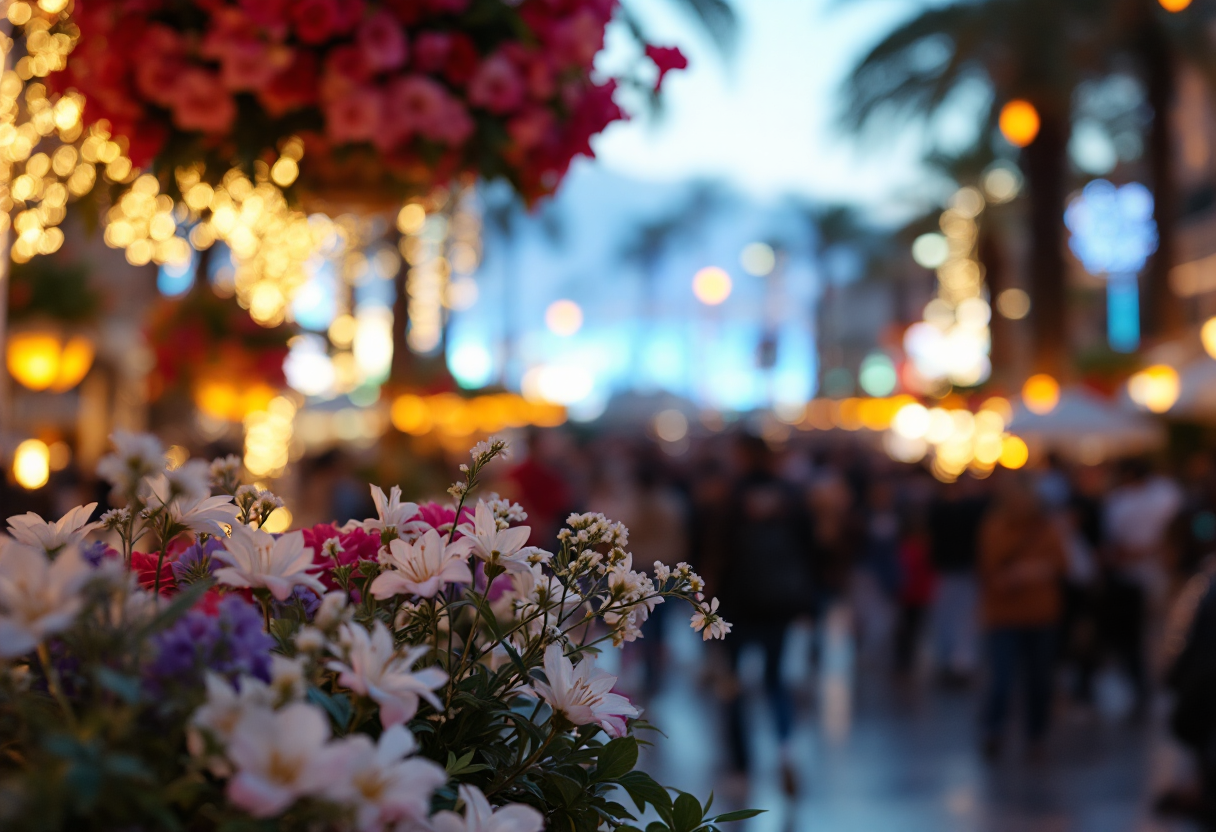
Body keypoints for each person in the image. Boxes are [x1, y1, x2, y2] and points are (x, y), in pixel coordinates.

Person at [718, 433, 816, 794]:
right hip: (779, 605)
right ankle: (786, 750)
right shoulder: (790, 496)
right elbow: (809, 552)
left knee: (733, 685)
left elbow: (717, 553)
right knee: (776, 680)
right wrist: (808, 605)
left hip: (737, 606)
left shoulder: (731, 497)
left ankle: (741, 766)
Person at [978, 475, 1067, 759]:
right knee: (1002, 678)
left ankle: (1035, 735)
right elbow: (989, 570)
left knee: (1039, 680)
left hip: (1040, 614)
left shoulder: (1047, 528)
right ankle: (994, 730)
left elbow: (1061, 564)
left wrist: (1032, 572)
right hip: (1003, 615)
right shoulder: (994, 528)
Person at [1099, 459, 1182, 717]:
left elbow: (1116, 546)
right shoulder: (1167, 494)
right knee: (1155, 636)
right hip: (1153, 578)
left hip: (1140, 579)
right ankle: (1156, 685)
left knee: (1141, 639)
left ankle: (1147, 687)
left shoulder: (1121, 502)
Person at [927, 475, 989, 686]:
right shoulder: (966, 510)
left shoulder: (946, 509)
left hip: (959, 570)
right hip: (955, 570)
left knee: (956, 618)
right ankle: (956, 662)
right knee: (957, 618)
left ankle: (956, 662)